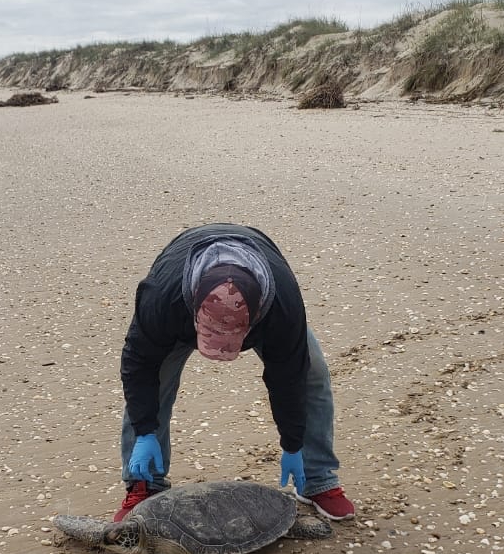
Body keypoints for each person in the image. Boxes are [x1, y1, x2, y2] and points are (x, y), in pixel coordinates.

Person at [114, 223, 355, 523]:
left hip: (268, 303)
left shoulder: (283, 305)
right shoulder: (161, 296)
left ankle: (317, 477)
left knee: (312, 374)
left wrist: (292, 444)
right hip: (176, 307)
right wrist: (145, 431)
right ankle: (144, 485)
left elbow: (288, 377)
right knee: (155, 384)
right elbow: (138, 366)